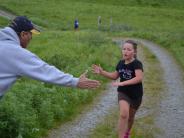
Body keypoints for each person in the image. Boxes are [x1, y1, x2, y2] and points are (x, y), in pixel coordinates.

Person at [0, 16, 100, 98]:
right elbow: (43, 70)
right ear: (23, 34)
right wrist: (74, 81)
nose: (31, 38)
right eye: (31, 34)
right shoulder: (13, 51)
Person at [92, 40, 143, 138]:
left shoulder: (137, 64)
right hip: (123, 92)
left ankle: (127, 132)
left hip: (136, 94)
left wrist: (123, 82)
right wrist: (102, 72)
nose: (125, 51)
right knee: (124, 114)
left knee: (130, 117)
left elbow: (139, 78)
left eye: (129, 49)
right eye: (124, 49)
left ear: (134, 52)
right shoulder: (120, 63)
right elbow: (114, 76)